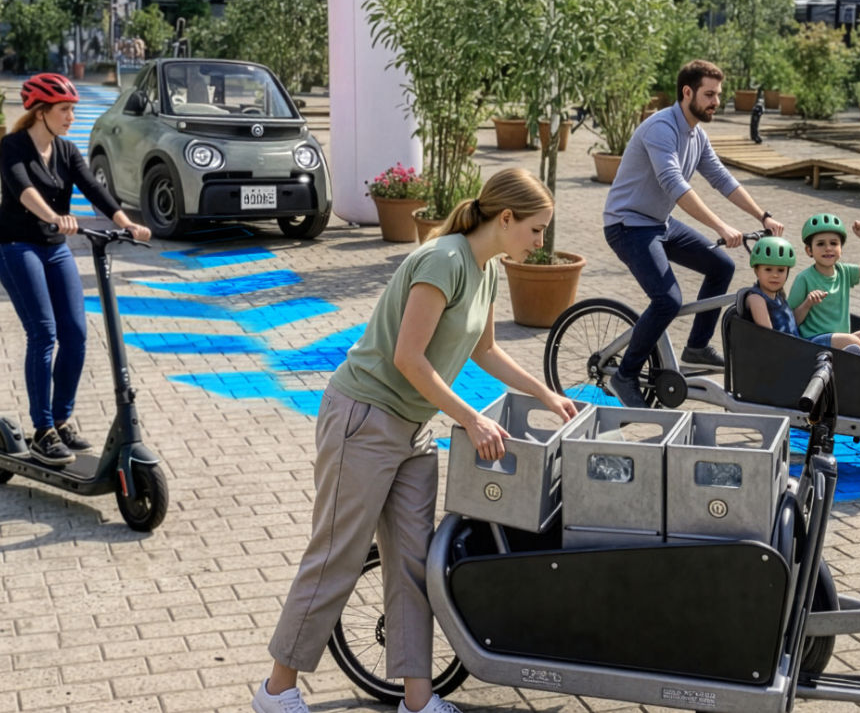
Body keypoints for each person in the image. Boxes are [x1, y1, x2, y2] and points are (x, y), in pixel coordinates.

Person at [254, 169, 577, 713]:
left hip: (412, 430)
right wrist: (472, 419)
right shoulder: (443, 261)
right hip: (365, 419)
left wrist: (545, 393)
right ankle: (276, 689)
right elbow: (408, 358)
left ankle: (418, 700)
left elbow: (487, 351)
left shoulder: (486, 268)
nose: (541, 242)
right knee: (337, 555)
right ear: (506, 219)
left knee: (414, 562)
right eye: (537, 229)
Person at [0, 73, 150, 466]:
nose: (70, 116)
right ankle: (42, 430)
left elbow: (95, 189)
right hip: (14, 245)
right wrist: (54, 216)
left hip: (53, 248)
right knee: (43, 332)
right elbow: (22, 189)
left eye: (72, 110)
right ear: (40, 112)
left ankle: (62, 419)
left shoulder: (66, 150)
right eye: (64, 110)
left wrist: (124, 221)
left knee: (75, 334)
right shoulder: (13, 147)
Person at [601, 59, 784, 407]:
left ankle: (697, 347)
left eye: (719, 95)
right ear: (687, 93)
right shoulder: (661, 129)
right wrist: (720, 226)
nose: (717, 102)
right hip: (627, 226)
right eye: (710, 94)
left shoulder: (697, 135)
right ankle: (625, 375)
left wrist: (763, 215)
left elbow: (721, 178)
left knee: (722, 266)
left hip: (659, 224)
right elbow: (675, 185)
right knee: (667, 300)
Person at [789, 214, 860, 354]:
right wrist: (807, 304)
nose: (828, 248)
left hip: (842, 340)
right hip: (812, 342)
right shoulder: (804, 279)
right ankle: (853, 372)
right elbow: (790, 321)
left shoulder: (844, 272)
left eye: (834, 243)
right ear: (809, 250)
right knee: (852, 342)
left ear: (841, 248)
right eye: (821, 244)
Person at [741, 236, 802, 334]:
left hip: (795, 343)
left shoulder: (779, 296)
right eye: (768, 269)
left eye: (781, 270)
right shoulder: (756, 299)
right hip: (782, 347)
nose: (775, 275)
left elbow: (792, 325)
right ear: (756, 271)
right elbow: (770, 338)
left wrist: (808, 303)